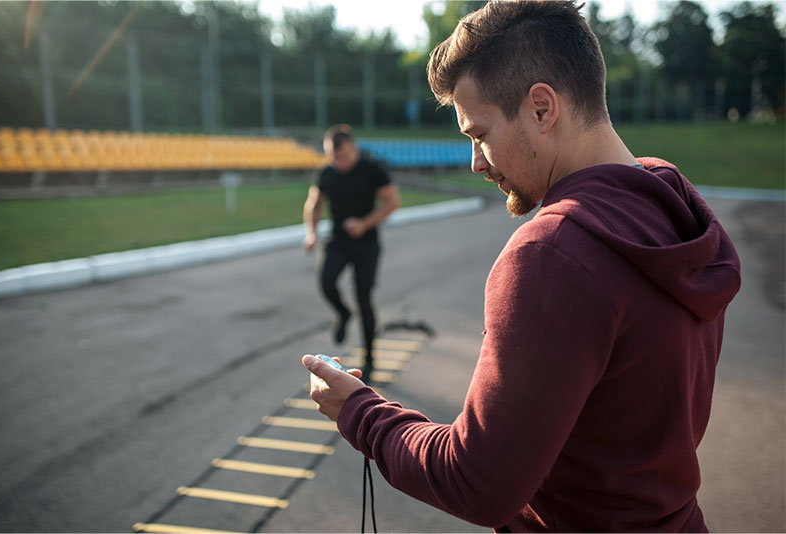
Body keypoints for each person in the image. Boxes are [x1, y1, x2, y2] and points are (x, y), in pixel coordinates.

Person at [302, 1, 742, 532]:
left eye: (479, 134)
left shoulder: (552, 253)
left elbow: (478, 483)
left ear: (541, 108)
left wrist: (361, 413)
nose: (476, 162)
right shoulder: (669, 203)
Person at [302, 125, 401, 384]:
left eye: (343, 156)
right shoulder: (326, 173)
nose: (339, 162)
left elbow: (392, 202)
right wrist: (311, 233)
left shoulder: (371, 170)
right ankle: (343, 314)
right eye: (333, 157)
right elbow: (314, 205)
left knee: (364, 298)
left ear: (353, 148)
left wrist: (364, 224)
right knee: (326, 281)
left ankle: (369, 359)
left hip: (366, 243)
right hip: (338, 239)